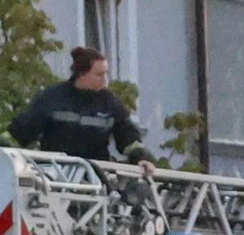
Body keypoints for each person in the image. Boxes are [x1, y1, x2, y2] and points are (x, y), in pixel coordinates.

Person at [8, 47, 145, 164]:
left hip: (96, 177)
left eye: (105, 74)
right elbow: (24, 128)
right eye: (99, 74)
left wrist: (141, 157)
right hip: (56, 175)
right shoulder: (54, 98)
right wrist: (1, 151)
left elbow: (127, 134)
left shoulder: (109, 102)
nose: (105, 79)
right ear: (82, 75)